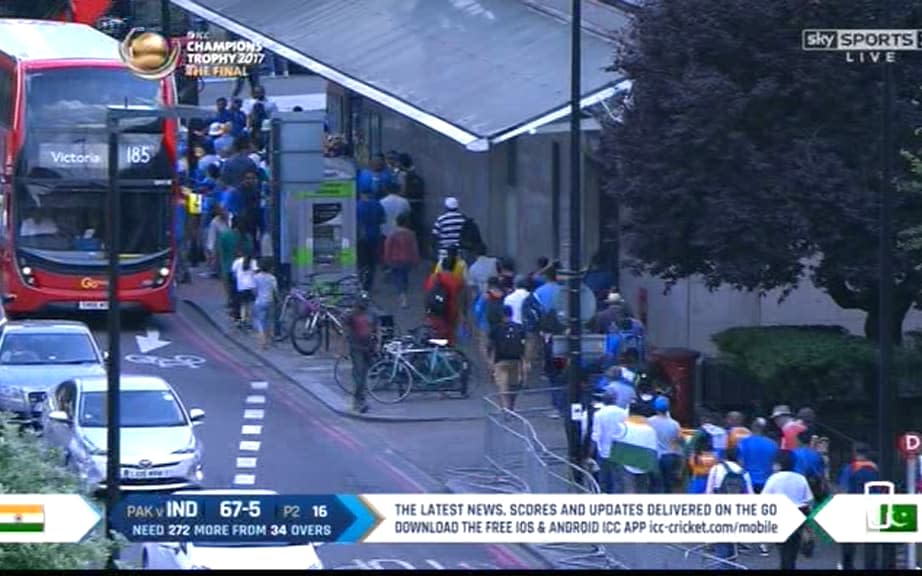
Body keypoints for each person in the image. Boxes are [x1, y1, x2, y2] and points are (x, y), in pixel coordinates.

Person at [761, 450, 814, 570]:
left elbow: (764, 498)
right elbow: (809, 499)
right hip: (799, 513)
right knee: (793, 547)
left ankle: (786, 565)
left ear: (778, 464)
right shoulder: (800, 478)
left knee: (783, 548)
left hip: (780, 514)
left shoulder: (774, 478)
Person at [837, 442, 882, 570]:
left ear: (854, 452)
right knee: (871, 539)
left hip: (852, 506)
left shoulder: (849, 468)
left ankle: (848, 565)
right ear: (867, 453)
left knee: (848, 539)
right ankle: (870, 565)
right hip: (872, 506)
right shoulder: (875, 469)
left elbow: (843, 489)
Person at [705, 446, 753, 566]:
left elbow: (709, 492)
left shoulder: (716, 469)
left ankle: (723, 566)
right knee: (732, 544)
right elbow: (750, 495)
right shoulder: (744, 472)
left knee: (721, 545)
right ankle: (730, 565)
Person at [344, 292, 377, 414]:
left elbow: (376, 327)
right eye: (362, 302)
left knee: (364, 374)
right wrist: (346, 341)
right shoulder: (352, 314)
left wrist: (377, 342)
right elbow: (345, 327)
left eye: (366, 302)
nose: (364, 304)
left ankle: (359, 398)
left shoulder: (372, 313)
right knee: (359, 373)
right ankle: (360, 401)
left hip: (369, 347)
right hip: (356, 347)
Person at [592, 390, 630, 494]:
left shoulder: (599, 414)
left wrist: (593, 452)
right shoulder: (623, 413)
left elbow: (596, 435)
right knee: (618, 479)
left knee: (604, 478)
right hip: (619, 451)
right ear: (615, 399)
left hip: (604, 451)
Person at [488, 305, 526, 411]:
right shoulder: (519, 328)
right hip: (516, 360)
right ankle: (511, 407)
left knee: (503, 386)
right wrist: (525, 362)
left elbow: (491, 346)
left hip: (501, 361)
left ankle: (505, 409)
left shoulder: (496, 328)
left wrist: (490, 362)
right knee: (514, 385)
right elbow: (524, 345)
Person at [423, 251, 464, 345]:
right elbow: (460, 298)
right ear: (453, 267)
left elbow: (427, 293)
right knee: (449, 332)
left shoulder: (432, 278)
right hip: (451, 309)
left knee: (435, 330)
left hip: (434, 308)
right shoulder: (457, 281)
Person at [647, 396, 684, 494]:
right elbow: (680, 440)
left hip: (654, 457)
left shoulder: (649, 422)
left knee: (654, 485)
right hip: (670, 456)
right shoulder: (675, 424)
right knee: (668, 484)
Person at [382, 212, 419, 308]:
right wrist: (415, 261)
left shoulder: (392, 234)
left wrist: (386, 260)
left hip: (395, 260)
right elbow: (414, 248)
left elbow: (388, 248)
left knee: (398, 278)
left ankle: (402, 296)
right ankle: (403, 295)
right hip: (407, 260)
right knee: (404, 277)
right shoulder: (410, 234)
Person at [356, 189, 385, 291]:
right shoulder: (377, 205)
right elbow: (382, 220)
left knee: (362, 262)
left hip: (361, 238)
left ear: (361, 194)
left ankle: (362, 284)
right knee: (372, 263)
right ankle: (369, 284)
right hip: (374, 236)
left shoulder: (357, 206)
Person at [252, 257, 278, 349]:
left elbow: (254, 290)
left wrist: (257, 295)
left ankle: (262, 341)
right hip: (270, 301)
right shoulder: (272, 278)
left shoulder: (256, 277)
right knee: (268, 322)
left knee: (259, 321)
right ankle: (268, 340)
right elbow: (275, 291)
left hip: (259, 301)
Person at [231, 248, 258, 328]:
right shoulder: (253, 262)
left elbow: (233, 273)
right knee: (249, 304)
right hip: (252, 286)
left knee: (243, 304)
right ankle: (249, 321)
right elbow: (256, 273)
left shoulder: (237, 262)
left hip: (241, 287)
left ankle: (243, 320)